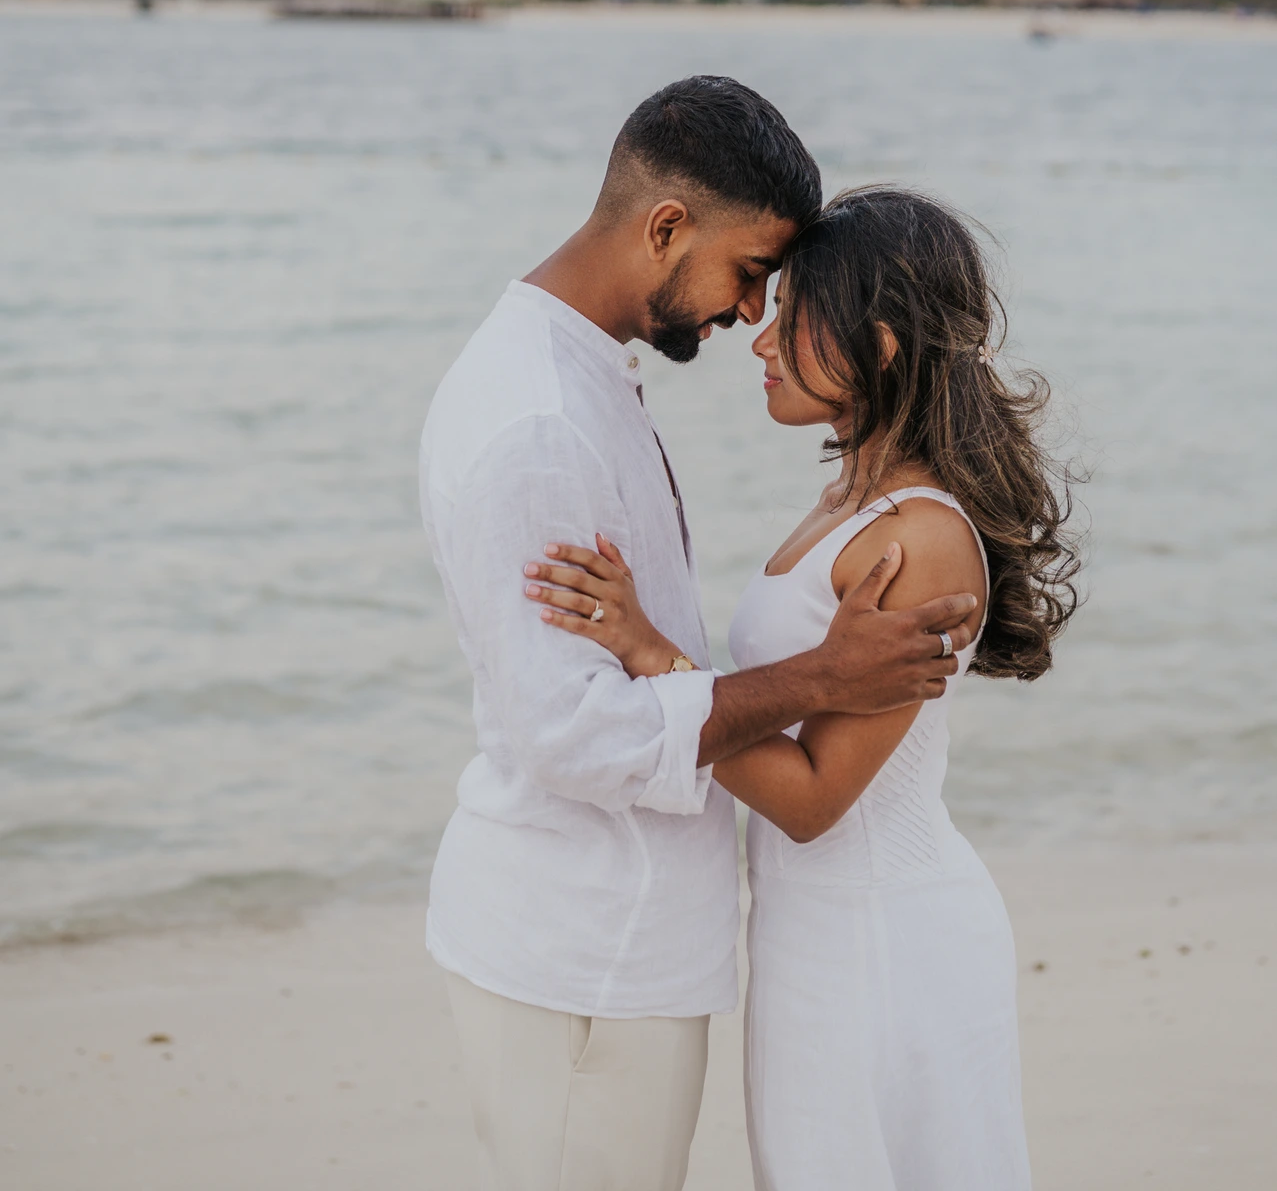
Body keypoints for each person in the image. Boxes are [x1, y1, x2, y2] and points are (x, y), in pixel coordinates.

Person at [420, 80, 980, 1191]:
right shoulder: (540, 418)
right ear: (665, 227)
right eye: (750, 276)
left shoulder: (579, 380)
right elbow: (569, 734)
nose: (747, 319)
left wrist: (668, 654)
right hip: (585, 950)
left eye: (779, 293)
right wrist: (815, 675)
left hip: (642, 947)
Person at [532, 185, 1080, 1191]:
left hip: (881, 935)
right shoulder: (849, 497)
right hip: (813, 929)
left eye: (791, 315)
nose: (759, 338)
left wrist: (651, 654)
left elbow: (815, 799)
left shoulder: (916, 538)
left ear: (875, 345)